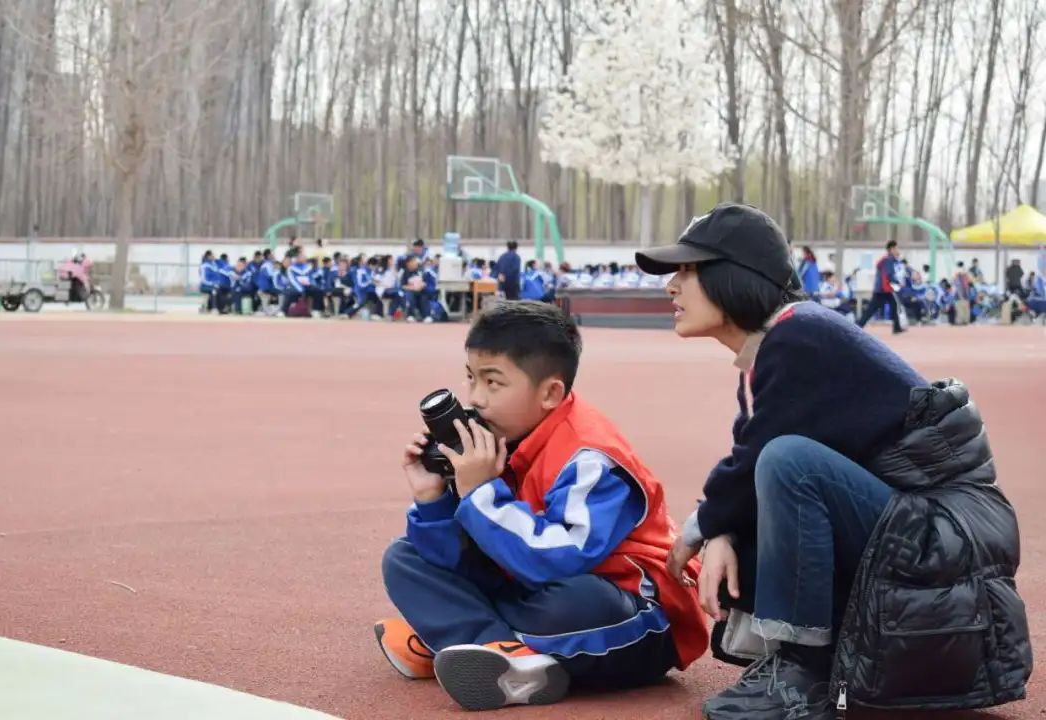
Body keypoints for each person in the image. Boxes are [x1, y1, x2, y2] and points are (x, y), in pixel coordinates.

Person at [635, 203, 1029, 720]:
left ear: (736, 276)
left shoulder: (800, 335)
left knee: (788, 463)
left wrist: (700, 528)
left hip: (945, 532)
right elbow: (745, 472)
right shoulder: (775, 347)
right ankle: (797, 662)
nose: (672, 286)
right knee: (764, 491)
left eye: (688, 270)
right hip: (922, 526)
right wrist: (721, 532)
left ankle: (804, 673)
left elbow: (762, 462)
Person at [377, 301, 709, 711]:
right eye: (471, 379)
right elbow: (467, 554)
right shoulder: (498, 439)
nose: (476, 399)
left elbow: (556, 560)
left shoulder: (591, 457)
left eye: (493, 383)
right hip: (533, 585)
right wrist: (433, 501)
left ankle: (458, 636)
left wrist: (480, 492)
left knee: (576, 602)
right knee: (405, 557)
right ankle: (498, 650)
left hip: (635, 619)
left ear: (550, 392)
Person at [856, 240, 904, 334]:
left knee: (893, 305)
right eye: (896, 248)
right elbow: (889, 274)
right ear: (891, 249)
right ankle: (858, 326)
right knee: (871, 309)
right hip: (882, 289)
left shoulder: (886, 259)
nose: (898, 250)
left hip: (883, 289)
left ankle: (897, 327)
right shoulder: (888, 260)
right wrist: (898, 282)